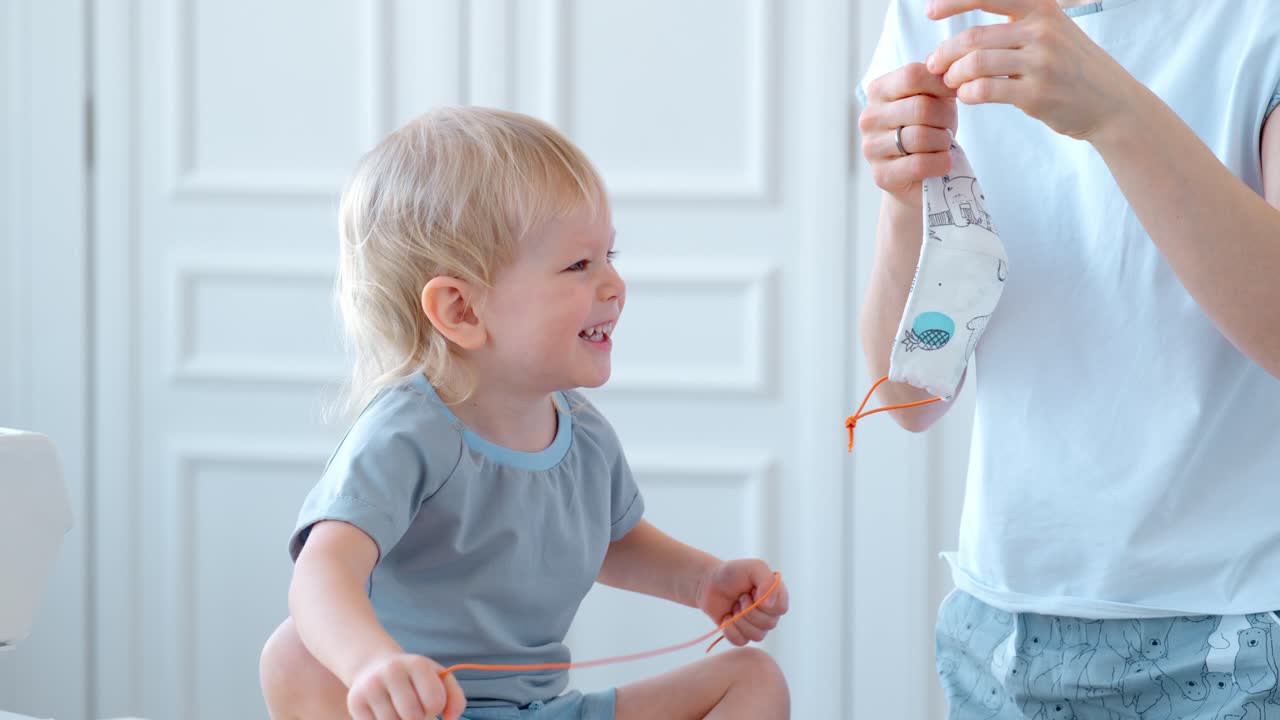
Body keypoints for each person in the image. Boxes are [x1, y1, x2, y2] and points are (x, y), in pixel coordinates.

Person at [257, 106, 791, 720]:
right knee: (294, 653)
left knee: (752, 678)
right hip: (425, 712)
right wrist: (374, 665)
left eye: (610, 256)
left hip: (544, 711)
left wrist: (703, 581)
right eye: (579, 265)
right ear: (461, 309)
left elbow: (609, 541)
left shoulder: (583, 433)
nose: (614, 284)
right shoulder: (407, 433)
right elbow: (321, 572)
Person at [857, 0, 1280, 717]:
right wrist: (905, 201)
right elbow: (907, 396)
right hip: (1001, 631)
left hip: (1233, 633)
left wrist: (1115, 110)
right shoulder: (933, 16)